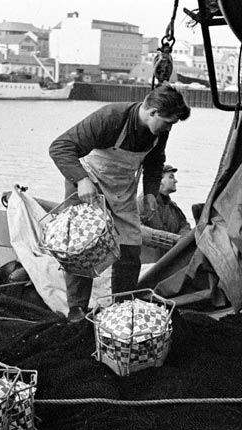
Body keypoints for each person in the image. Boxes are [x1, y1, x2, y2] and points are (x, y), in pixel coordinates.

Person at [49, 84, 191, 322]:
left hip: (122, 188)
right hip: (88, 183)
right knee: (82, 248)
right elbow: (60, 147)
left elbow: (155, 162)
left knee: (130, 248)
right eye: (168, 122)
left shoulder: (160, 131)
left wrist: (150, 194)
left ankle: (122, 308)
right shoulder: (110, 117)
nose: (169, 127)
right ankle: (77, 310)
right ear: (153, 111)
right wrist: (82, 180)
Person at [138, 164, 192, 236]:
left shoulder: (173, 208)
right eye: (171, 177)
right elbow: (135, 227)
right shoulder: (143, 202)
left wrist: (181, 239)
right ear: (159, 180)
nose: (176, 181)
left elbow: (184, 226)